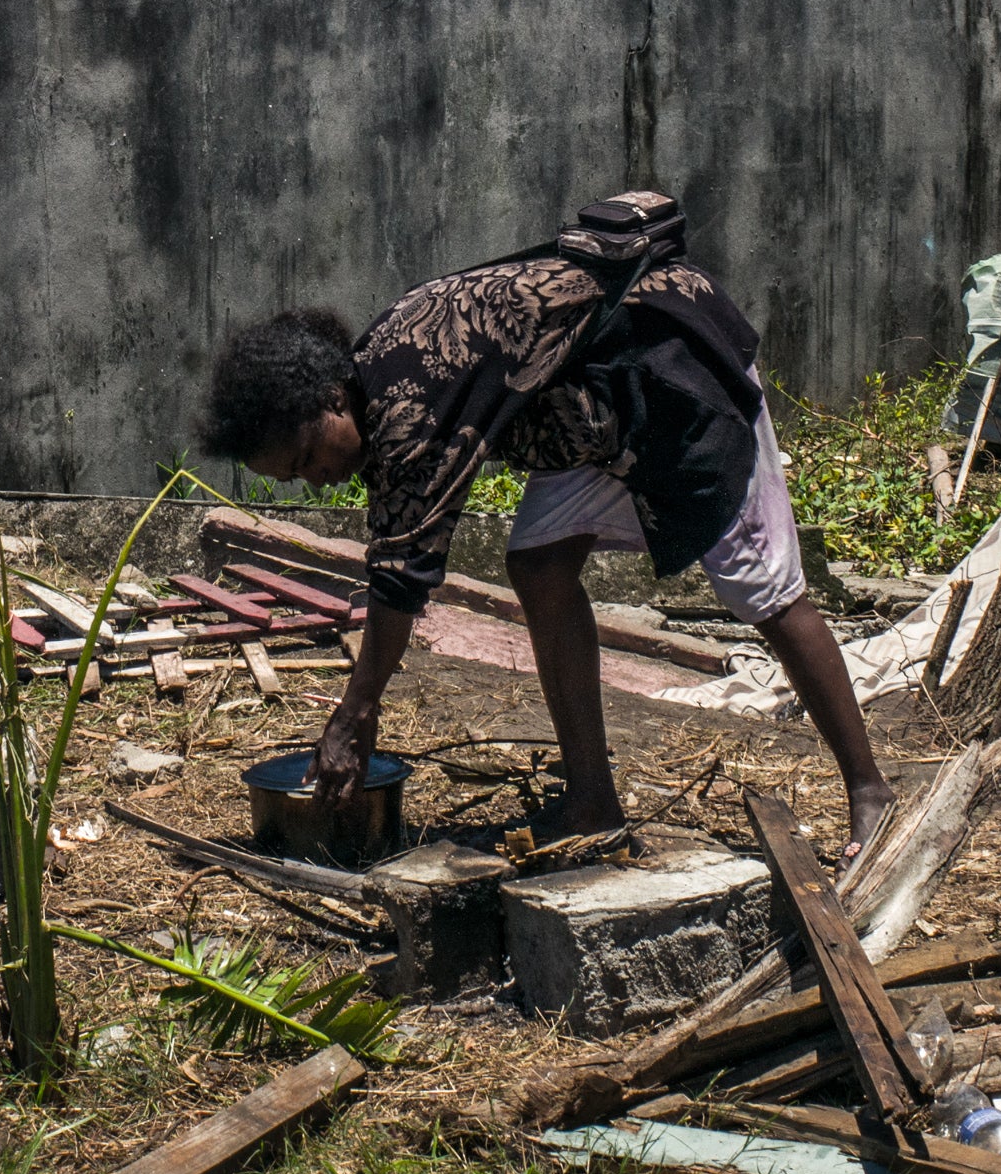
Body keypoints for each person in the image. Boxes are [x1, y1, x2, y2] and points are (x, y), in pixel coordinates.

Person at [198, 192, 891, 861]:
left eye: (307, 458)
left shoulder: (407, 400)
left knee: (763, 592)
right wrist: (361, 702)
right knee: (538, 564)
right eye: (296, 478)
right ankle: (592, 801)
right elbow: (398, 547)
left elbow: (402, 575)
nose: (317, 478)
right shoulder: (377, 382)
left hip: (672, 374)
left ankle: (869, 790)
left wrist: (354, 713)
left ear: (330, 400)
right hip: (588, 406)